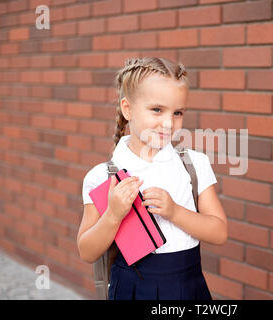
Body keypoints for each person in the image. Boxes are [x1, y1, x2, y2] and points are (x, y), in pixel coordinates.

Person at [77, 57, 228, 300]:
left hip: (189, 287)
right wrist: (113, 215)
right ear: (127, 109)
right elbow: (86, 251)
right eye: (157, 110)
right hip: (132, 289)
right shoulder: (103, 176)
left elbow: (219, 232)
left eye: (178, 112)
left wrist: (175, 212)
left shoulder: (193, 164)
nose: (168, 123)